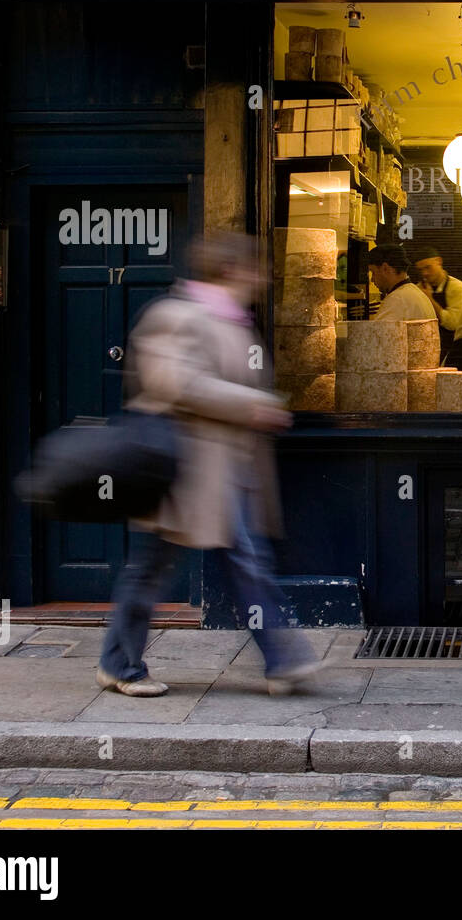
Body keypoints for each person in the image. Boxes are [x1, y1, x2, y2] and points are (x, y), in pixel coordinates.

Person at [97, 232, 321, 697]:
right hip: (181, 472)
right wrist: (253, 405)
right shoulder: (176, 315)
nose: (261, 278)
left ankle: (283, 660)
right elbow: (176, 382)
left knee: (246, 560)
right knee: (156, 567)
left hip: (225, 472)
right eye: (253, 269)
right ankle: (120, 665)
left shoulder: (236, 322)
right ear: (230, 271)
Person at [410, 245, 462, 363]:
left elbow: (453, 323)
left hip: (452, 351)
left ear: (439, 262)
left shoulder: (457, 287)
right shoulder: (417, 289)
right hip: (425, 350)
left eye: (428, 267)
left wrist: (429, 300)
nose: (425, 273)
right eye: (420, 270)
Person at [368, 242, 436, 322]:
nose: (372, 279)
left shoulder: (397, 299)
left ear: (385, 268)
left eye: (373, 272)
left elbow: (378, 333)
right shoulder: (413, 292)